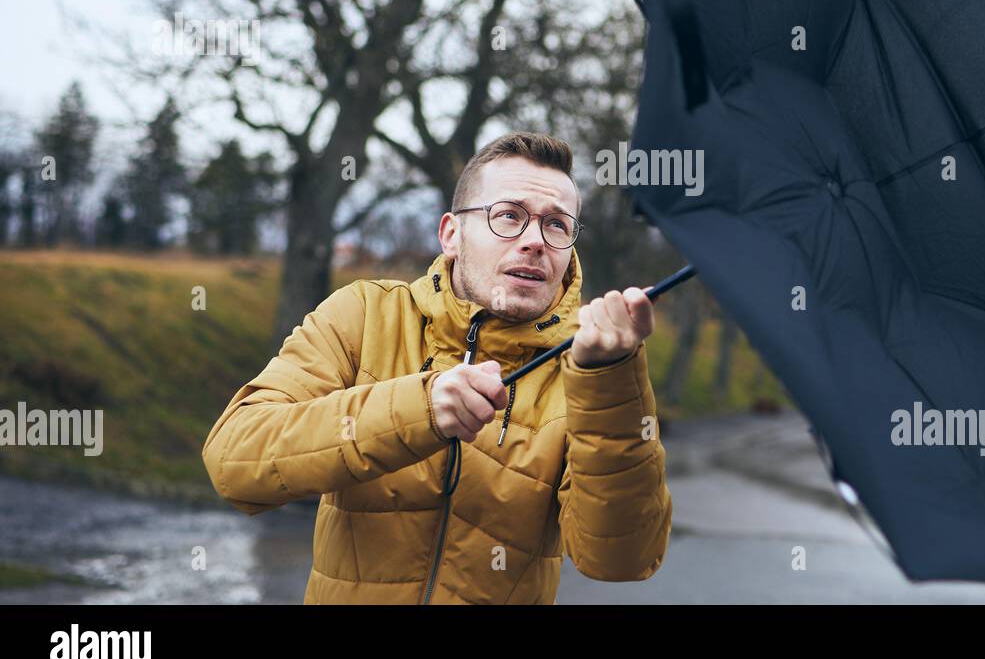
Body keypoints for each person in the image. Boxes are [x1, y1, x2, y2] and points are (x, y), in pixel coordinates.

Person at [202, 132, 672, 603]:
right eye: (509, 216)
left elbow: (621, 559)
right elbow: (235, 461)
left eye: (556, 225)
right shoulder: (365, 315)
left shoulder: (590, 372)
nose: (535, 241)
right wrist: (420, 408)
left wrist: (611, 385)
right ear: (452, 234)